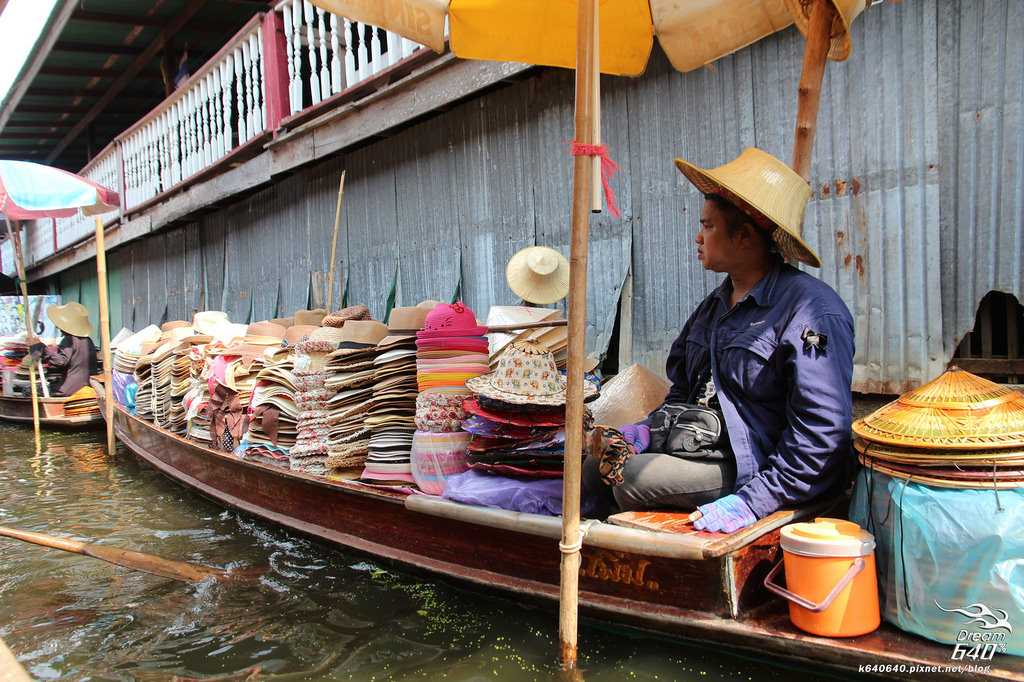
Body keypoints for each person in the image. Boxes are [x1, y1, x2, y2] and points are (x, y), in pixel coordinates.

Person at [583, 148, 855, 534]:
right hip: (702, 447)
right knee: (597, 464)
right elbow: (684, 392)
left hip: (760, 466)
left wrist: (756, 499)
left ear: (743, 236)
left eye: (708, 226)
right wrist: (648, 429)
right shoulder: (715, 306)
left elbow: (822, 433)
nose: (698, 237)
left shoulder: (811, 310)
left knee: (632, 477)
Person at [30, 302, 99, 397]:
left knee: (34, 391)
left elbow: (60, 361)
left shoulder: (69, 340)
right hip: (88, 386)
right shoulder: (88, 340)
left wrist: (41, 347)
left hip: (72, 388)